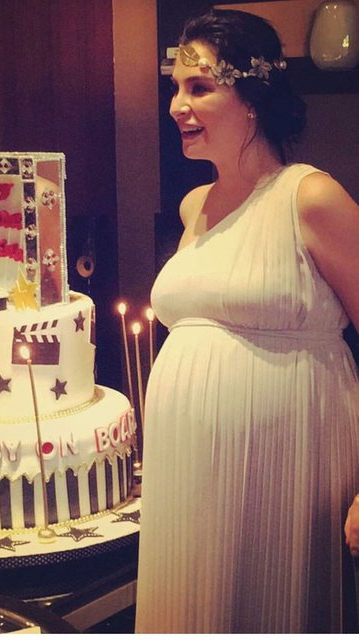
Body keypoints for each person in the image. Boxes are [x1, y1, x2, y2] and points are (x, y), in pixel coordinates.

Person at [135, 8, 359, 634]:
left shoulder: (310, 197)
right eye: (175, 88)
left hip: (291, 464)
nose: (177, 105)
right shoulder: (193, 206)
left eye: (199, 87)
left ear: (253, 98)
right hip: (189, 474)